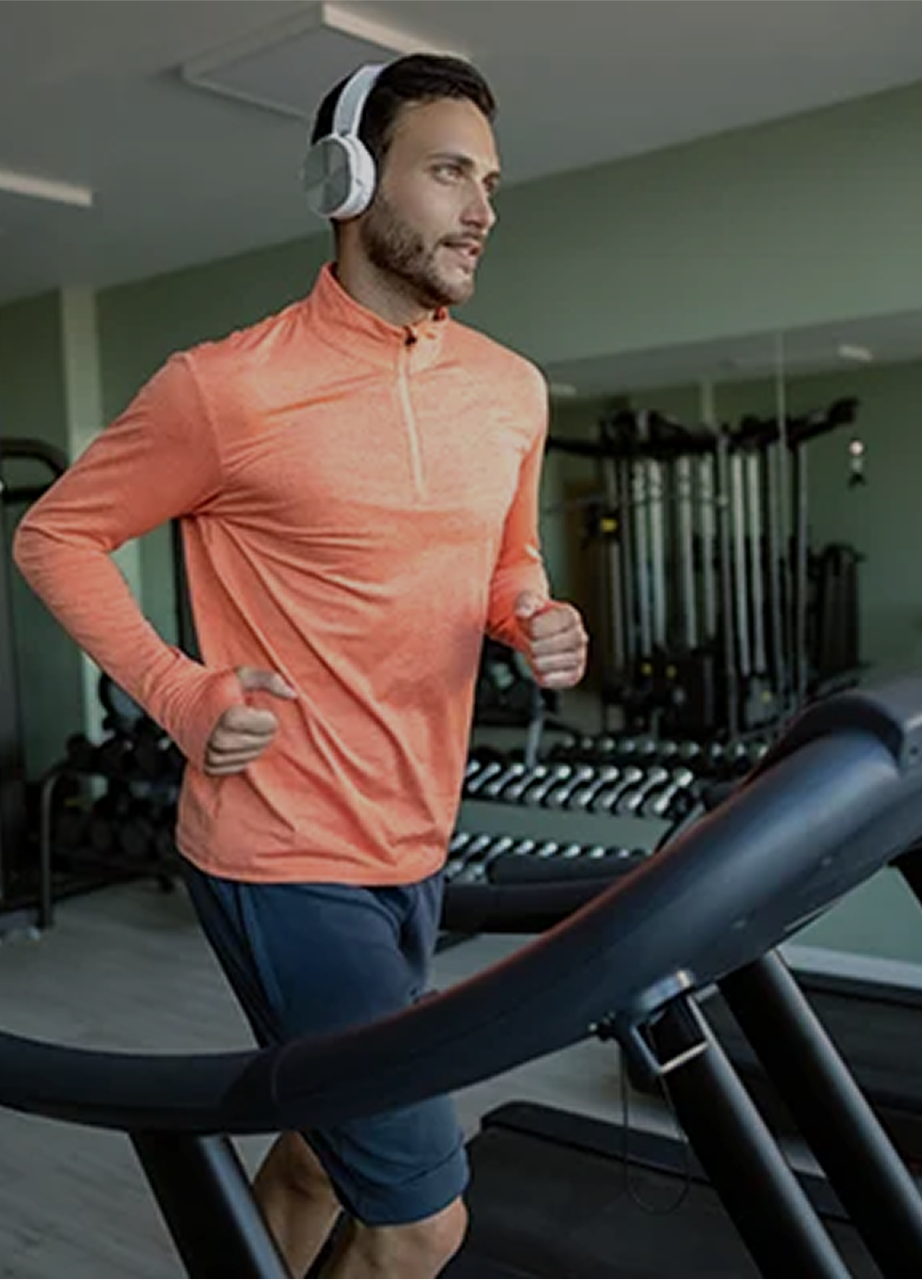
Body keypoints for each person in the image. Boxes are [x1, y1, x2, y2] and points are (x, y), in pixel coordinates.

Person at [13, 52, 588, 1279]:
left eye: (490, 178)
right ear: (349, 178)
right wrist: (178, 692)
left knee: (331, 1152)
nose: (484, 204)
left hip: (414, 837)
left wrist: (534, 615)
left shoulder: (510, 390)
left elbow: (507, 563)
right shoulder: (224, 391)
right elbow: (52, 531)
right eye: (448, 172)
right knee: (422, 1215)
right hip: (279, 849)